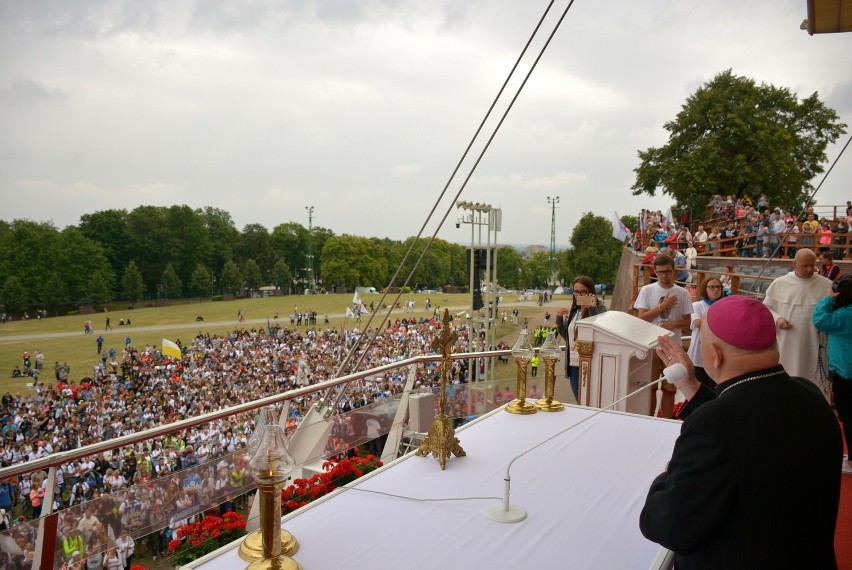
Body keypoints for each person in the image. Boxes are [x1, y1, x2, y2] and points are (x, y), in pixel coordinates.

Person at [640, 295, 842, 569]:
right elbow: (753, 424)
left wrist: (666, 476)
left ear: (715, 355)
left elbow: (668, 527)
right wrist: (691, 384)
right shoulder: (810, 394)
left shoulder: (712, 426)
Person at [763, 248, 832, 389]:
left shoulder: (826, 284)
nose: (809, 269)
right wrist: (778, 319)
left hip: (815, 341)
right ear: (794, 264)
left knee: (814, 382)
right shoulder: (779, 283)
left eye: (812, 265)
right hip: (788, 341)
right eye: (804, 265)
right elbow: (767, 308)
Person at [813, 274, 852, 473]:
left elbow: (819, 319)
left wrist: (828, 297)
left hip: (846, 373)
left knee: (848, 417)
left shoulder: (844, 315)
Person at [555, 276, 607, 401]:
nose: (579, 295)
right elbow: (568, 337)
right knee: (580, 400)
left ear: (590, 292)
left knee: (591, 401)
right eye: (576, 291)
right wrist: (559, 319)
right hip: (574, 363)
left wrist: (592, 309)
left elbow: (600, 330)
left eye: (583, 291)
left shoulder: (600, 308)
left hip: (591, 363)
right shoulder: (575, 310)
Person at [634, 254, 692, 343]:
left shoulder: (683, 292)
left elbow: (688, 321)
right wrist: (663, 306)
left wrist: (675, 324)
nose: (664, 275)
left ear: (673, 270)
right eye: (660, 272)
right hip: (651, 343)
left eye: (667, 271)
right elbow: (642, 318)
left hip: (674, 344)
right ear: (655, 271)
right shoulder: (646, 290)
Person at [686, 277, 724, 389]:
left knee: (715, 389)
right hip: (699, 354)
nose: (715, 290)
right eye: (712, 287)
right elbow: (697, 323)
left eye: (718, 287)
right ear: (705, 289)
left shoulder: (724, 305)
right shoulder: (697, 305)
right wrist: (718, 317)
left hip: (717, 352)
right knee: (699, 389)